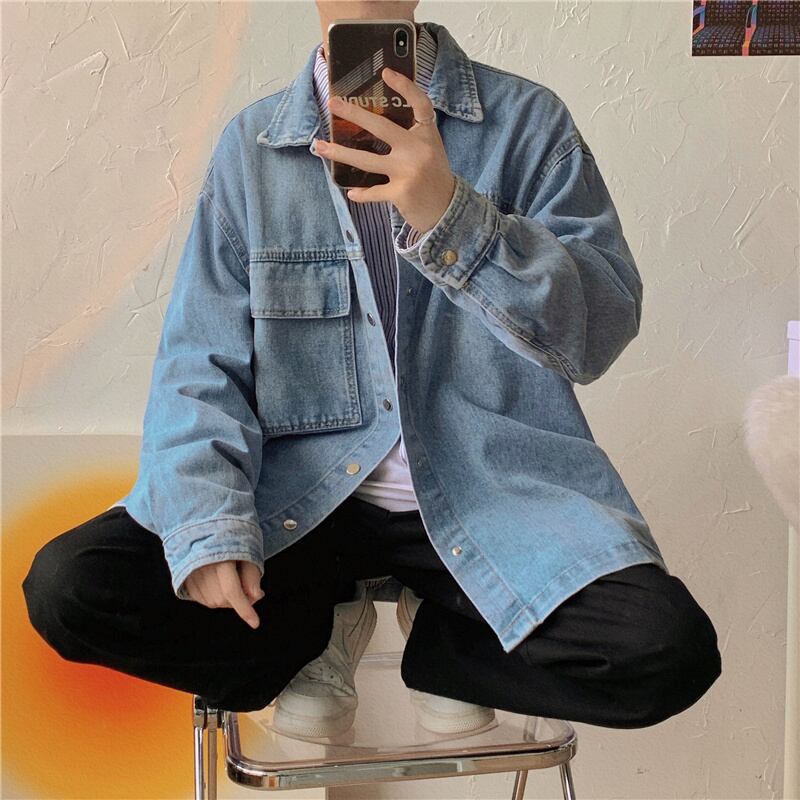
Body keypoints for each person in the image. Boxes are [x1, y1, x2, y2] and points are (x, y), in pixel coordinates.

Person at [22, 1, 721, 739]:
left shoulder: (526, 123)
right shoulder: (253, 149)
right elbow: (200, 362)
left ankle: (445, 643)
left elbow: (600, 330)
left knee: (665, 653)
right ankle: (307, 638)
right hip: (300, 503)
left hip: (491, 496)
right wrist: (209, 526)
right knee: (74, 588)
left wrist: (452, 213)